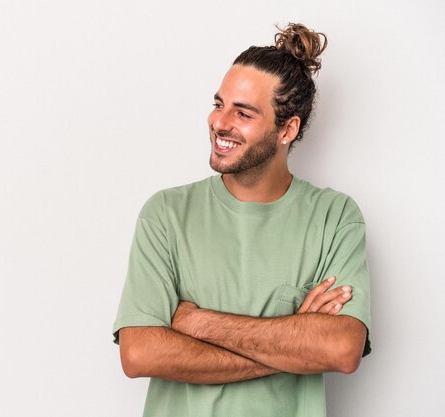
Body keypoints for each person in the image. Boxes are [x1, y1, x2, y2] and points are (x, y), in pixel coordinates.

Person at [112, 23, 371, 417]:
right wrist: (292, 340)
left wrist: (196, 322)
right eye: (219, 104)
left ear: (287, 128)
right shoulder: (165, 213)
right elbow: (139, 353)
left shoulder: (334, 217)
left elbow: (340, 348)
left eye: (243, 112)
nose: (220, 122)